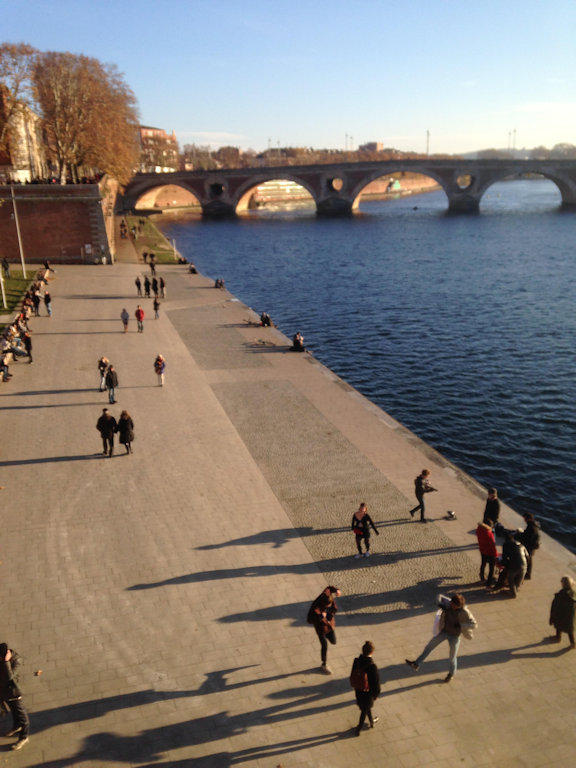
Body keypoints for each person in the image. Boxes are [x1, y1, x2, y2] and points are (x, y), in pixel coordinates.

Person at [406, 593, 477, 682]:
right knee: (429, 647)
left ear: (459, 606)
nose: (453, 607)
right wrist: (440, 603)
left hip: (455, 636)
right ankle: (417, 664)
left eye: (455, 606)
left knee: (452, 657)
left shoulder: (465, 612)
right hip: (444, 632)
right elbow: (438, 597)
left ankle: (451, 674)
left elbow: (474, 624)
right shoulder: (448, 604)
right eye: (452, 604)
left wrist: (460, 626)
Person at [0, 643, 29, 751]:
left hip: (13, 693)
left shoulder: (16, 660)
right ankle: (17, 726)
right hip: (3, 692)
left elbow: (9, 677)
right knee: (14, 711)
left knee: (22, 715)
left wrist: (6, 662)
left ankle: (24, 737)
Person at [307, 586, 341, 674]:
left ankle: (329, 635)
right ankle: (324, 664)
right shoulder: (316, 607)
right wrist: (321, 616)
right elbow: (309, 620)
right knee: (324, 645)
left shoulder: (326, 595)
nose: (329, 607)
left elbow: (329, 587)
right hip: (321, 629)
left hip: (330, 626)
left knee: (334, 641)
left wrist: (337, 590)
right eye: (327, 606)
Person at [350, 640, 381, 736]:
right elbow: (376, 683)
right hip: (368, 692)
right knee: (365, 709)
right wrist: (376, 694)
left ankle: (371, 722)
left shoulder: (357, 661)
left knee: (366, 707)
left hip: (358, 689)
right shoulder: (372, 666)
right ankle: (359, 728)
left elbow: (353, 674)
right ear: (372, 652)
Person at [549, 576, 575, 648]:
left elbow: (555, 606)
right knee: (569, 628)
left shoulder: (561, 595)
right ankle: (570, 642)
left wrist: (552, 617)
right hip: (570, 615)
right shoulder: (573, 593)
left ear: (563, 584)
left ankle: (560, 638)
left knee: (559, 625)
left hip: (560, 614)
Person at [501, 531, 528, 597]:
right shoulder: (521, 545)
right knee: (519, 579)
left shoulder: (506, 545)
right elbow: (527, 556)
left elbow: (504, 557)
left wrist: (504, 564)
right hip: (524, 565)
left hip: (514, 566)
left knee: (511, 579)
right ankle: (515, 589)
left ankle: (513, 593)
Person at [517, 513, 540, 580]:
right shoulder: (533, 525)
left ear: (529, 518)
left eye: (525, 518)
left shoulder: (531, 527)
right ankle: (527, 574)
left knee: (527, 560)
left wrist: (520, 536)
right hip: (532, 546)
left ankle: (527, 574)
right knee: (529, 560)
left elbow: (527, 538)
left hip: (529, 546)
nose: (524, 520)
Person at [476, 518, 497, 588]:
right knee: (491, 569)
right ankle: (489, 584)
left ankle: (482, 578)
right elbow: (492, 545)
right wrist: (495, 554)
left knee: (483, 564)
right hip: (490, 553)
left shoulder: (479, 529)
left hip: (482, 550)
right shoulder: (489, 533)